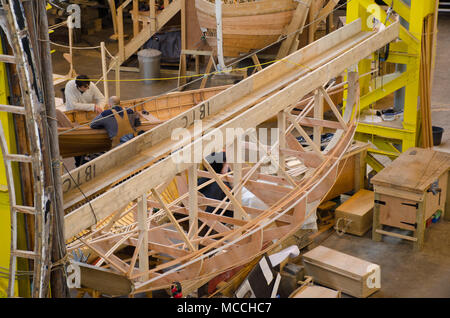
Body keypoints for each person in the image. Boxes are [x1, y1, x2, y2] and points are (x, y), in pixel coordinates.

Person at [198, 152, 233, 218]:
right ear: (219, 165)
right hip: (213, 223)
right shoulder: (221, 186)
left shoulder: (200, 181)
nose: (229, 167)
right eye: (227, 164)